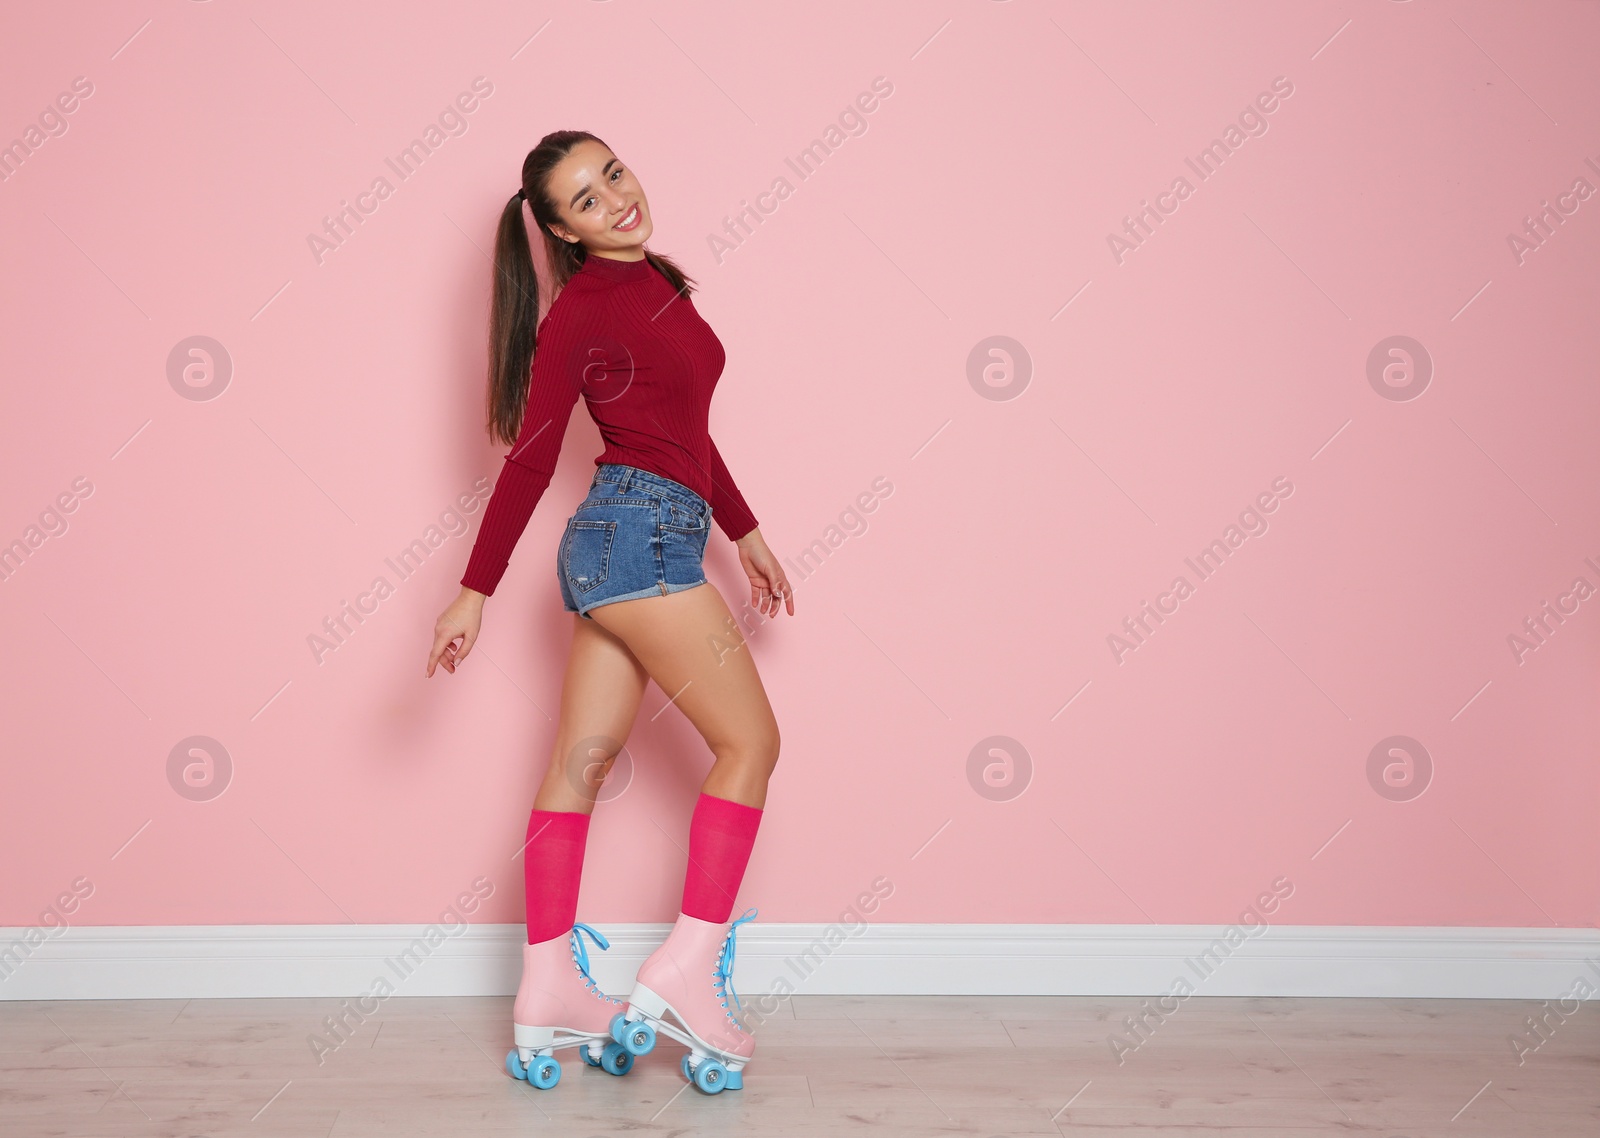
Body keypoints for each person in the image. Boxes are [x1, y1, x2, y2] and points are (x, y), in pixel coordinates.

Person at [426, 131, 793, 1095]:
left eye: (615, 173)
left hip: (620, 542)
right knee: (751, 745)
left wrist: (746, 532)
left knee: (578, 766)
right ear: (559, 229)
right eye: (587, 201)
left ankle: (548, 982)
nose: (617, 200)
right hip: (641, 541)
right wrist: (472, 591)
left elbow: (685, 433)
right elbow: (532, 459)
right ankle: (685, 972)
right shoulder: (580, 313)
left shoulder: (657, 279)